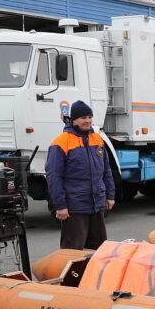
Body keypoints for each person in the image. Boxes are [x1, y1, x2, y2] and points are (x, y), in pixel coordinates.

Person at [46, 100, 115, 250]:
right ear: (74, 120)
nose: (88, 121)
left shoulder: (97, 140)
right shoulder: (61, 142)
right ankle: (71, 274)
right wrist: (61, 206)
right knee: (72, 250)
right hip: (75, 206)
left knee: (100, 249)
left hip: (96, 204)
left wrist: (110, 195)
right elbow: (54, 176)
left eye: (90, 117)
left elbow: (106, 170)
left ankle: (93, 274)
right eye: (83, 118)